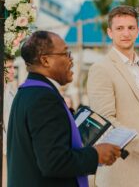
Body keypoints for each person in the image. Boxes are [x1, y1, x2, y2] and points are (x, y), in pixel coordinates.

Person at [7, 31, 121, 187]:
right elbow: (54, 162)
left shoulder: (28, 92)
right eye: (66, 53)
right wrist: (96, 155)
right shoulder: (44, 98)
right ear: (45, 60)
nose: (71, 59)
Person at [87, 5, 139, 187]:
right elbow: (105, 121)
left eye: (131, 28)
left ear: (138, 31)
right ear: (110, 32)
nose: (126, 33)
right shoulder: (101, 68)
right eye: (119, 28)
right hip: (119, 170)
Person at [3, 55, 16, 187]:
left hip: (9, 153)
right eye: (9, 67)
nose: (13, 71)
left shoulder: (11, 93)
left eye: (13, 67)